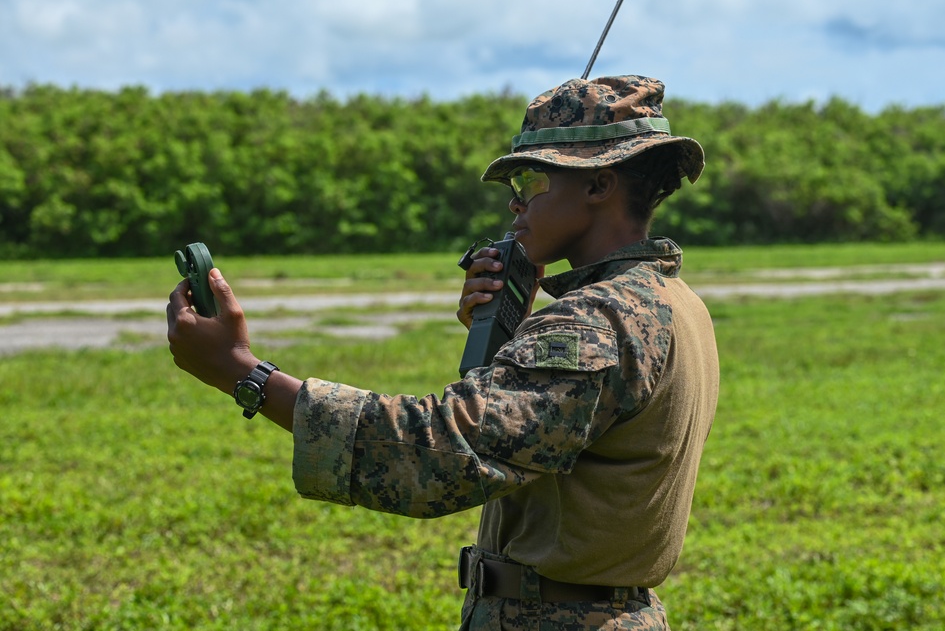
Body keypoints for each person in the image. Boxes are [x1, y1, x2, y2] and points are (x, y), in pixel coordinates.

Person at [167, 75, 719, 630]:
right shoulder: (669, 301)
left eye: (532, 179)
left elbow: (440, 451)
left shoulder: (599, 320)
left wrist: (245, 373)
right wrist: (511, 332)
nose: (515, 202)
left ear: (599, 185)